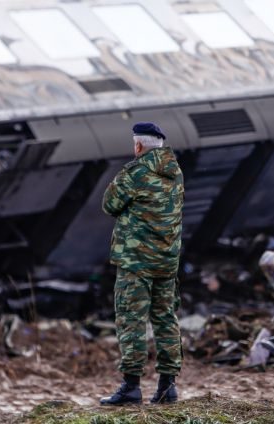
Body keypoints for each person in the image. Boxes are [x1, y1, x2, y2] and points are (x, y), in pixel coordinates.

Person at [99, 122, 184, 406]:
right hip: (167, 261)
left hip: (136, 262)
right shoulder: (175, 172)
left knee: (131, 319)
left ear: (138, 146)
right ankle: (167, 387)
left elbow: (109, 204)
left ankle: (131, 386)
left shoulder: (135, 172)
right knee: (165, 318)